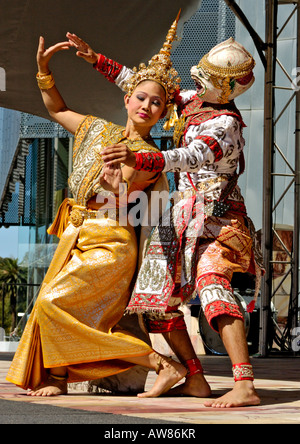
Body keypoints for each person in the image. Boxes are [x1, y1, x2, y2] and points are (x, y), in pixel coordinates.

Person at [76, 34, 264, 408]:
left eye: (206, 78)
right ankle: (195, 378)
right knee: (154, 303)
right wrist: (98, 59)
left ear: (225, 87)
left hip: (216, 217)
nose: (195, 83)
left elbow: (192, 156)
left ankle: (245, 383)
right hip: (179, 215)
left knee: (213, 289)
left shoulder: (226, 123)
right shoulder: (197, 102)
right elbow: (148, 87)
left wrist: (140, 159)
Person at [6, 17, 188, 398]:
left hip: (111, 243)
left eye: (157, 102)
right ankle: (57, 379)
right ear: (127, 99)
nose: (147, 105)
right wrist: (43, 73)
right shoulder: (96, 129)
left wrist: (116, 185)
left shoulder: (150, 156)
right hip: (77, 233)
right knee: (49, 307)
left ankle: (160, 363)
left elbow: (123, 200)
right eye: (141, 97)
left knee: (53, 303)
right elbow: (57, 110)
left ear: (163, 113)